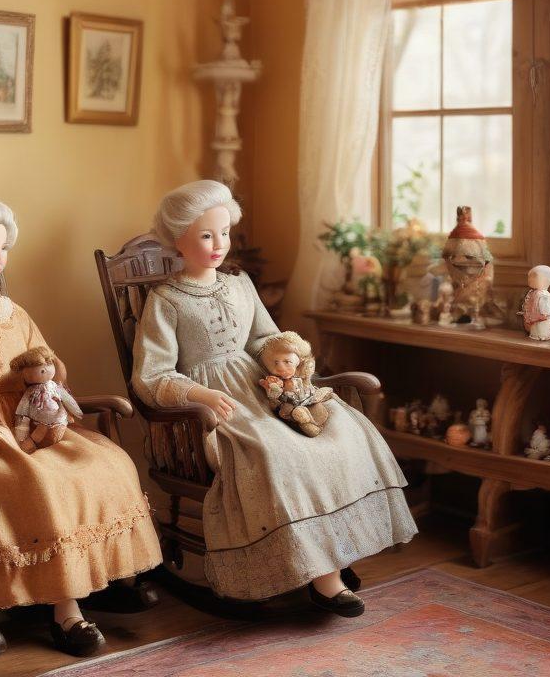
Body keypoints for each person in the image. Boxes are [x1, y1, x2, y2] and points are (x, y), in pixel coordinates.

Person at [132, 179, 416, 616]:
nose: (218, 244)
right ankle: (327, 580)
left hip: (265, 388)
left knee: (342, 430)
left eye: (224, 233)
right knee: (275, 452)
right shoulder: (166, 300)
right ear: (177, 240)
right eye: (206, 235)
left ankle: (330, 553)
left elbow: (265, 339)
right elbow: (151, 375)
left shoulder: (240, 283)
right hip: (216, 406)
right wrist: (200, 393)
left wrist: (292, 364)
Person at [0, 195, 160, 655]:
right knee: (39, 481)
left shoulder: (13, 312)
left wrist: (50, 380)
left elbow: (46, 365)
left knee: (105, 463)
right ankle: (67, 611)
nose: (0, 259)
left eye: (2, 248)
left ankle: (81, 587)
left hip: (30, 423)